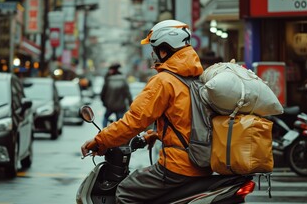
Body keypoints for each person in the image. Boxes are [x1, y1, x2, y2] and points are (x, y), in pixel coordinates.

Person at [81, 20, 212, 203]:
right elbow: (187, 122)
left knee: (125, 192)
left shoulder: (164, 81)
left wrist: (100, 141)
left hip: (178, 166)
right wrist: (155, 134)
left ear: (165, 50)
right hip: (201, 163)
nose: (154, 54)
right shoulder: (196, 80)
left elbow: (134, 121)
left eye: (155, 49)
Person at [100, 63, 133, 128]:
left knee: (105, 117)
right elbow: (128, 93)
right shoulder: (123, 79)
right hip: (120, 106)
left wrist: (104, 102)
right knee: (120, 121)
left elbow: (102, 93)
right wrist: (130, 103)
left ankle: (103, 131)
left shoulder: (108, 79)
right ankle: (119, 133)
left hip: (110, 105)